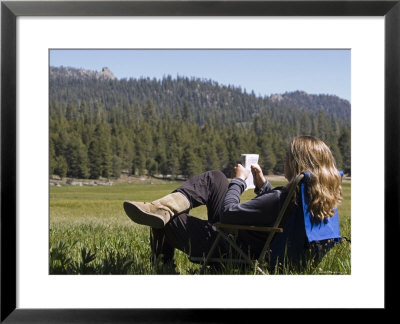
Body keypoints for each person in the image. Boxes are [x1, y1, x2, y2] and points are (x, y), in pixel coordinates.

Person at [123, 135, 342, 271]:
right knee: (216, 178)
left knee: (170, 220)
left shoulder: (280, 199)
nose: (284, 160)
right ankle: (163, 207)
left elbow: (228, 213)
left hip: (232, 248)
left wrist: (238, 181)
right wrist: (263, 185)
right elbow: (278, 214)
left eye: (287, 157)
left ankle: (163, 261)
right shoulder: (311, 199)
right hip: (253, 244)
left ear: (295, 163)